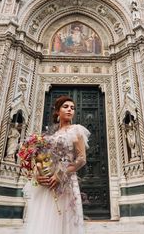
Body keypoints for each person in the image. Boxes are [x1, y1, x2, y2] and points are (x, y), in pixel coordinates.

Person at [24, 96, 90, 234]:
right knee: (46, 217)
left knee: (64, 218)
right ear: (57, 111)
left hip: (65, 181)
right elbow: (41, 158)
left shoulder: (76, 130)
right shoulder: (50, 135)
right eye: (65, 107)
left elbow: (81, 159)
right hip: (48, 181)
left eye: (72, 108)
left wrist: (60, 174)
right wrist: (38, 174)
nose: (70, 110)